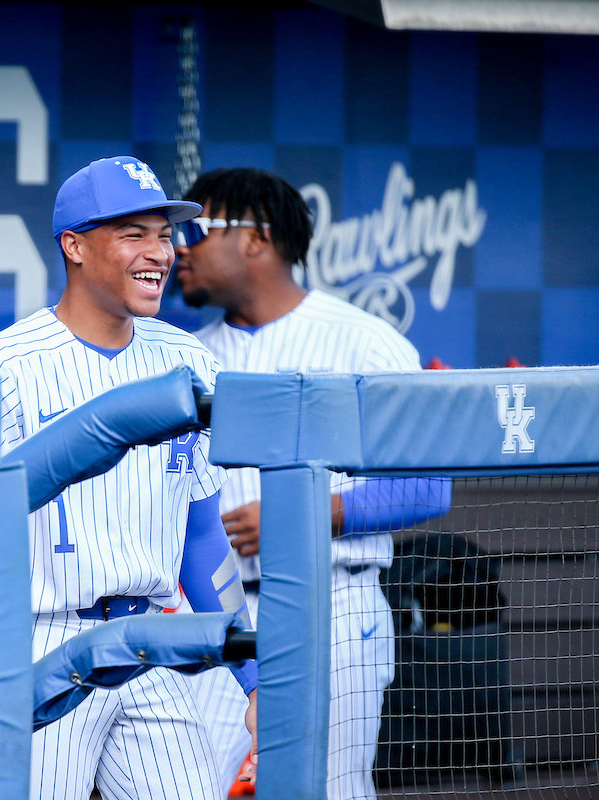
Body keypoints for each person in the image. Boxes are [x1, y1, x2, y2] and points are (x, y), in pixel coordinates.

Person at [0, 155, 257, 800]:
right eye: (133, 234)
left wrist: (254, 676)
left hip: (153, 644)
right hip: (40, 641)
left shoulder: (186, 359)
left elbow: (202, 538)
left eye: (163, 233)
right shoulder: (2, 365)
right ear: (74, 246)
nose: (158, 251)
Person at [174, 167, 451, 799]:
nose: (179, 247)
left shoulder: (364, 340)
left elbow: (428, 487)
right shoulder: (183, 353)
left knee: (326, 790)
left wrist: (306, 513)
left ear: (257, 238)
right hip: (214, 612)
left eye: (199, 228)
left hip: (334, 604)